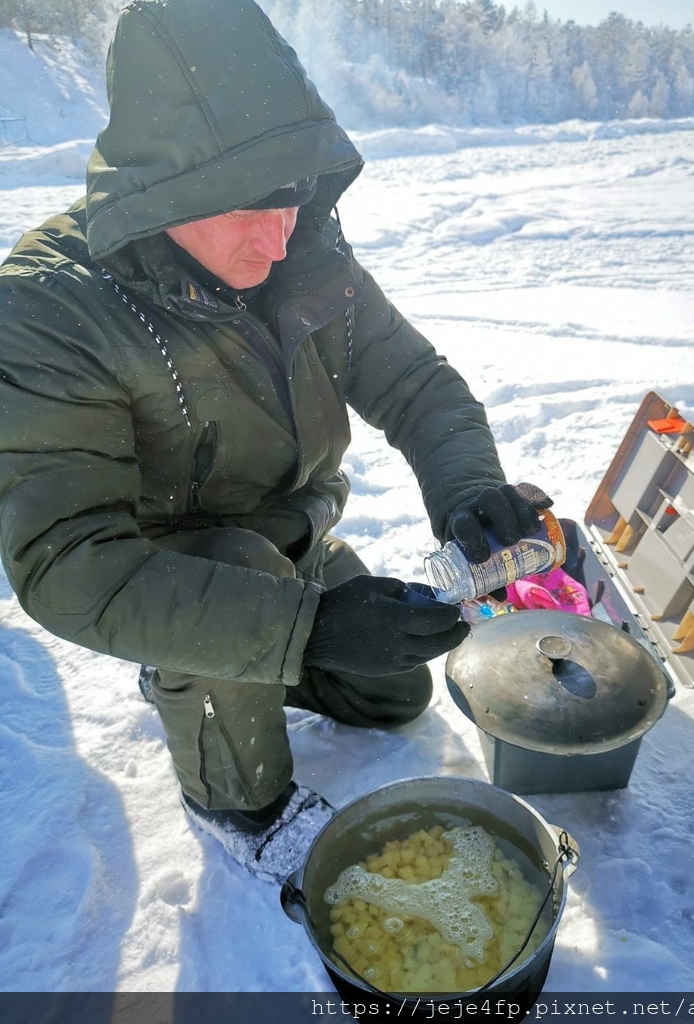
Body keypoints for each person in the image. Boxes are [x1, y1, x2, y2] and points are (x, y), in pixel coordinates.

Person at [0, 0, 552, 883]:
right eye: (250, 204)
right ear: (165, 187)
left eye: (293, 192)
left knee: (394, 688)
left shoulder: (305, 253)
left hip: (294, 536)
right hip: (179, 566)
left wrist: (468, 489)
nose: (280, 232)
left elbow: (415, 383)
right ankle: (236, 798)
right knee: (252, 588)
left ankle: (229, 659)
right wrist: (309, 627)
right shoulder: (48, 309)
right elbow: (68, 565)